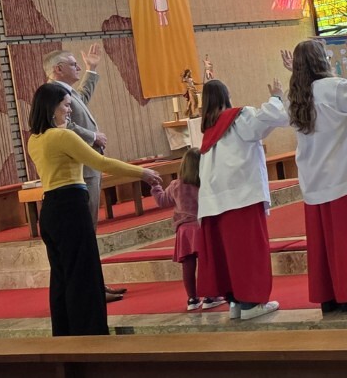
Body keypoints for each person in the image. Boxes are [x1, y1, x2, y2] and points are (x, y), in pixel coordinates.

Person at [26, 83, 161, 336]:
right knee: (83, 272)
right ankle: (90, 332)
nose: (69, 110)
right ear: (52, 107)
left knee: (62, 275)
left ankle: (65, 333)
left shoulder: (34, 140)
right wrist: (141, 172)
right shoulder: (62, 137)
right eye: (66, 105)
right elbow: (100, 162)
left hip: (51, 208)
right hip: (70, 206)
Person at [284, 31, 347, 313]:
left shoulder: (295, 97)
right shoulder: (334, 88)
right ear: (322, 60)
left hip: (315, 180)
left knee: (324, 243)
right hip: (345, 175)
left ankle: (329, 295)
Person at [198, 78, 287, 320]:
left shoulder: (207, 129)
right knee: (249, 252)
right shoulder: (238, 117)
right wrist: (276, 97)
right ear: (227, 95)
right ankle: (252, 304)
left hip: (214, 202)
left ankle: (236, 303)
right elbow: (269, 119)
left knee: (229, 255)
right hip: (242, 197)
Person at [43, 46, 126, 302]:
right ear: (58, 69)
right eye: (73, 64)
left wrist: (91, 69)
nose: (77, 67)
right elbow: (63, 125)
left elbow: (82, 98)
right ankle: (92, 288)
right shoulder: (52, 94)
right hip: (80, 171)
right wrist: (93, 136)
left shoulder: (66, 92)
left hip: (88, 169)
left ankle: (96, 284)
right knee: (85, 233)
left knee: (90, 232)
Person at [150, 148, 224, 312]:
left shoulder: (176, 185)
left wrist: (155, 186)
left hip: (184, 231)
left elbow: (162, 201)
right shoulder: (204, 183)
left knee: (188, 266)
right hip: (201, 227)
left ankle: (192, 299)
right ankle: (210, 296)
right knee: (206, 263)